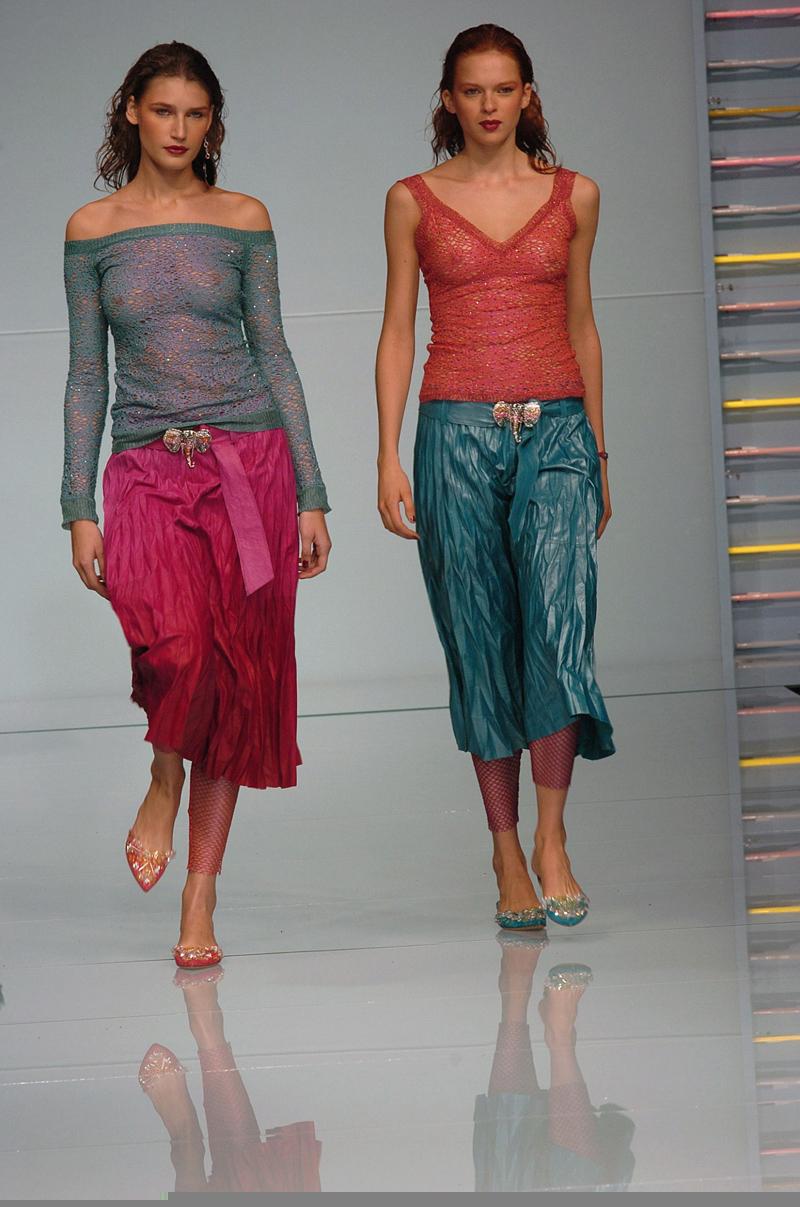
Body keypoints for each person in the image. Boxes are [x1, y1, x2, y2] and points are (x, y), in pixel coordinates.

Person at [61, 41, 331, 968]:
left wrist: (313, 493)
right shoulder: (92, 230)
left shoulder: (242, 219)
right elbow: (86, 374)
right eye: (164, 109)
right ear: (131, 111)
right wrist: (78, 504)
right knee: (173, 649)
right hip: (144, 465)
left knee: (236, 678)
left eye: (197, 113)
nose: (179, 128)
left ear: (213, 122)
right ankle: (163, 769)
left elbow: (276, 353)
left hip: (250, 464)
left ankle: (200, 894)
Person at [376, 23, 614, 931]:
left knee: (559, 627)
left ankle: (552, 837)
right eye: (472, 90)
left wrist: (599, 451)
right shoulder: (412, 200)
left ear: (527, 96)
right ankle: (506, 848)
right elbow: (398, 328)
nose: (488, 105)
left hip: (558, 430)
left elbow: (583, 323)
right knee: (478, 639)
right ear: (449, 98)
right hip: (455, 436)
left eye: (503, 88)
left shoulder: (575, 194)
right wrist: (387, 452)